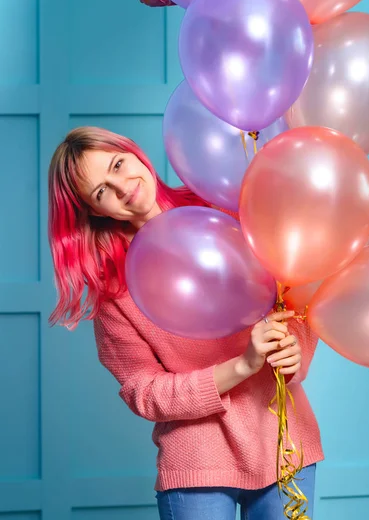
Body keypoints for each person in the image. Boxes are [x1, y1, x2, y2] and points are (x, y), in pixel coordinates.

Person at [48, 126, 324, 520]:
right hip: (196, 465)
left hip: (285, 445)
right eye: (101, 191)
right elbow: (144, 391)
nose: (122, 186)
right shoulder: (114, 294)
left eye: (118, 164)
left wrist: (296, 348)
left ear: (135, 153)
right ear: (95, 211)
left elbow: (295, 286)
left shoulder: (225, 207)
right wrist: (241, 366)